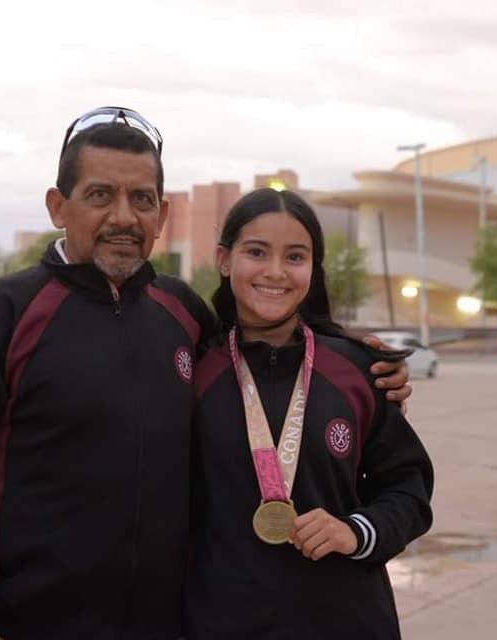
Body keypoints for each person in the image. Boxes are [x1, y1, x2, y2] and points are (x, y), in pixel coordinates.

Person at [0, 107, 412, 640]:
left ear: (161, 215)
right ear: (57, 206)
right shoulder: (4, 311)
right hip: (27, 622)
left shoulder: (183, 312)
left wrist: (366, 370)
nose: (124, 217)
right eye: (100, 195)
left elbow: (265, 354)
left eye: (142, 199)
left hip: (166, 624)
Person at [186, 188, 433, 639]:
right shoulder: (195, 373)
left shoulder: (360, 370)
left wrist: (355, 531)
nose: (275, 271)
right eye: (256, 252)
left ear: (313, 270)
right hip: (223, 620)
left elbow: (408, 490)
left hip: (346, 620)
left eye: (295, 257)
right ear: (224, 260)